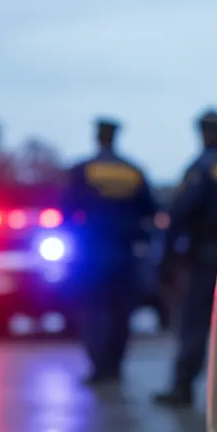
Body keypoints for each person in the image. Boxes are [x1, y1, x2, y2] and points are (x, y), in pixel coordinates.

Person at [154, 109, 217, 407]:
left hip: (206, 256)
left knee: (194, 321)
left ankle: (183, 387)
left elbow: (179, 214)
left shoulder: (202, 167)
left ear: (203, 132)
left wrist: (166, 260)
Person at [60, 117, 157, 385]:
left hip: (92, 254)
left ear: (98, 137)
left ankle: (99, 368)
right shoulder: (133, 171)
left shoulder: (84, 170)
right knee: (121, 313)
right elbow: (150, 210)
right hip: (126, 254)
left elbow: (66, 210)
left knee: (94, 311)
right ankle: (115, 368)